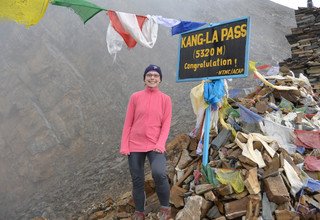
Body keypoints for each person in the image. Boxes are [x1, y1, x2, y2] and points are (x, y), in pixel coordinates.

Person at [120, 64, 172, 220]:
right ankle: (139, 211)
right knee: (137, 179)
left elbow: (166, 124)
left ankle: (165, 208)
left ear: (160, 79)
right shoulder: (135, 97)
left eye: (156, 76)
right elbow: (128, 122)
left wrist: (160, 143)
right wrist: (124, 145)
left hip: (155, 144)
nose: (152, 78)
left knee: (159, 173)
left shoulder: (165, 99)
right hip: (135, 144)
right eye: (149, 75)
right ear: (144, 78)